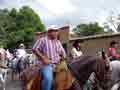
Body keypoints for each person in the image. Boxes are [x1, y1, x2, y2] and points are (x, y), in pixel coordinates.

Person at [32, 25, 66, 90]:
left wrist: (63, 56)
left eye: (57, 31)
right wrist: (43, 58)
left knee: (70, 76)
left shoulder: (58, 42)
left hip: (58, 64)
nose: (56, 33)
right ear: (49, 32)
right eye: (54, 31)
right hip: (47, 64)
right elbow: (34, 49)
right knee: (48, 79)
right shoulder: (42, 40)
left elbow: (63, 53)